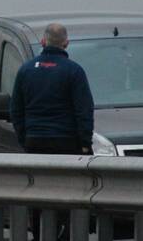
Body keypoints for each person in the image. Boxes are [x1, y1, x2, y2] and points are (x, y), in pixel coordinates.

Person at [10, 22, 94, 155]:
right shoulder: (74, 71)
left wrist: (24, 138)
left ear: (43, 42)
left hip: (34, 140)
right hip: (67, 141)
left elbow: (16, 110)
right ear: (66, 43)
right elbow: (84, 110)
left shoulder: (26, 70)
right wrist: (85, 142)